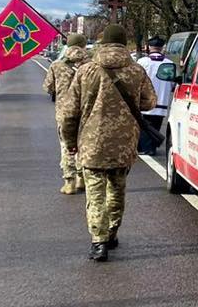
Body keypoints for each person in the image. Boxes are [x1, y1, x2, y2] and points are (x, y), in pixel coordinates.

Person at [59, 24, 156, 262]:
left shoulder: (87, 70)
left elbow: (69, 112)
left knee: (95, 193)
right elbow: (149, 102)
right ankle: (112, 232)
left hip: (91, 142)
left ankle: (98, 241)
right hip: (124, 142)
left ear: (102, 44)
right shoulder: (136, 71)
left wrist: (70, 141)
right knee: (117, 189)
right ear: (123, 44)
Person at [43, 33, 90, 194]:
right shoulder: (92, 65)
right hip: (87, 111)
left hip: (64, 111)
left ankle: (69, 182)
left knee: (66, 145)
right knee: (84, 145)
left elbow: (48, 87)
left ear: (67, 46)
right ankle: (81, 178)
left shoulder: (57, 65)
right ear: (84, 45)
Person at [137, 37, 175, 155]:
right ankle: (152, 147)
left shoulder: (142, 62)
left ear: (149, 47)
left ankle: (147, 148)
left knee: (144, 126)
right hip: (162, 101)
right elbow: (172, 84)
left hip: (145, 101)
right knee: (156, 125)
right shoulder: (169, 64)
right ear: (162, 48)